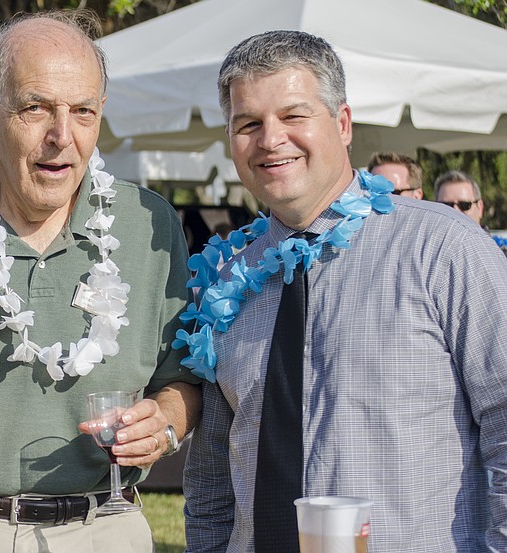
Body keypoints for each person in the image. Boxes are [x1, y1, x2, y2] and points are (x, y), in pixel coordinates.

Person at [181, 30, 507, 552]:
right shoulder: (224, 283)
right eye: (248, 124)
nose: (270, 139)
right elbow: (213, 472)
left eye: (293, 115)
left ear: (343, 123)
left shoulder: (443, 247)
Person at [0, 10, 200, 552]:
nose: (62, 136)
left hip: (108, 528)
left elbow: (183, 381)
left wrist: (166, 423)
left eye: (82, 111)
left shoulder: (148, 225)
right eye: (36, 108)